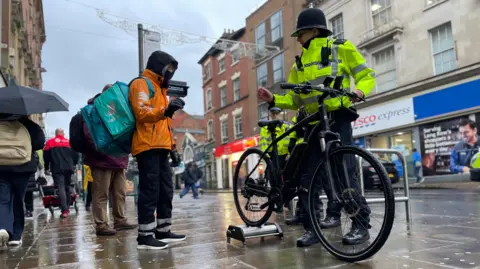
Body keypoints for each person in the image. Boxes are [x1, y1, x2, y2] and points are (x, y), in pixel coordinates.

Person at [257, 7, 375, 247]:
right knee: (308, 177)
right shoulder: (299, 62)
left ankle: (360, 224)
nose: (298, 39)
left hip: (337, 117)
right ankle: (312, 228)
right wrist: (273, 99)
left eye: (299, 34)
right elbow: (295, 99)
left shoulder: (341, 47)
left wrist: (360, 91)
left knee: (344, 172)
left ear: (312, 30)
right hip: (312, 123)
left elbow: (366, 74)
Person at [129, 50, 186, 250]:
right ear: (157, 65)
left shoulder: (160, 88)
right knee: (150, 189)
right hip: (147, 145)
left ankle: (163, 230)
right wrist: (166, 110)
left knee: (165, 190)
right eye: (167, 68)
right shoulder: (141, 83)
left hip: (161, 146)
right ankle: (145, 236)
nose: (169, 72)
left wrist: (173, 149)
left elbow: (165, 125)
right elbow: (142, 112)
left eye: (172, 69)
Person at [83, 85, 137, 236]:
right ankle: (101, 225)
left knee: (120, 192)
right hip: (102, 160)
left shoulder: (119, 109)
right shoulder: (93, 109)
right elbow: (90, 135)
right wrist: (103, 150)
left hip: (119, 158)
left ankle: (120, 220)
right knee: (101, 194)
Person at [0, 114, 45, 248]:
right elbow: (39, 143)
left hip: (1, 166)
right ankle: (15, 235)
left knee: (3, 199)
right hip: (22, 166)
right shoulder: (28, 124)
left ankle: (3, 227)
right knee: (18, 199)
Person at [43, 128, 78, 218]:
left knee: (60, 188)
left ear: (55, 134)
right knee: (67, 187)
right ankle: (67, 207)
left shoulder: (50, 142)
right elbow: (75, 155)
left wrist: (46, 167)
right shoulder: (69, 142)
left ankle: (65, 209)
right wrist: (73, 164)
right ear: (63, 133)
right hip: (69, 168)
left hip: (57, 168)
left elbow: (46, 157)